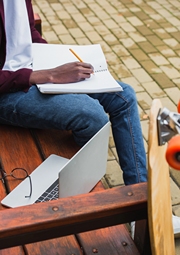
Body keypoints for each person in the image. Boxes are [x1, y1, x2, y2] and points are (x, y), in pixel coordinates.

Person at [0, 0, 147, 186]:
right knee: (92, 116)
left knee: (124, 96)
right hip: (7, 91)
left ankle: (141, 198)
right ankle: (81, 184)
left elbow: (27, 31)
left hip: (32, 70)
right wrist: (47, 75)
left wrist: (57, 58)